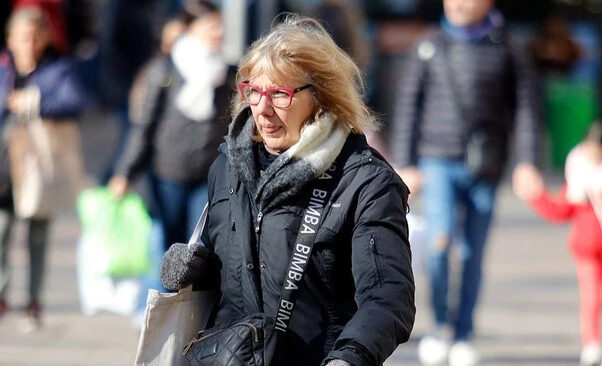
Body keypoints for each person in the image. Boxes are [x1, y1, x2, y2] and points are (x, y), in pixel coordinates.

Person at [160, 14, 415, 366]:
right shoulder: (228, 166)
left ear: (321, 97)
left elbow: (389, 295)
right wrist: (193, 270)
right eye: (253, 90)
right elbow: (231, 279)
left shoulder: (365, 181)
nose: (262, 109)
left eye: (279, 94)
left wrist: (350, 356)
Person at [390, 1, 544, 365]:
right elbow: (408, 107)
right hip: (436, 160)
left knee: (473, 253)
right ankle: (441, 324)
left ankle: (463, 333)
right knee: (439, 245)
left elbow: (526, 108)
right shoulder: (429, 46)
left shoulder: (507, 46)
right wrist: (406, 165)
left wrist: (528, 163)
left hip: (485, 165)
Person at [0, 6, 83, 330]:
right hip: (2, 163)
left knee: (38, 236)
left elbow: (74, 102)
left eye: (34, 37)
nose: (28, 44)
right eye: (22, 38)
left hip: (40, 165)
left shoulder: (57, 68)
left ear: (44, 38)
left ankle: (34, 302)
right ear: (10, 39)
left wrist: (35, 101)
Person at [108, 0, 231, 257]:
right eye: (211, 25)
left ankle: (198, 298)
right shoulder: (165, 69)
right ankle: (171, 297)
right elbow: (144, 127)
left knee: (200, 246)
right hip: (169, 175)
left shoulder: (229, 72)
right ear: (190, 28)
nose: (218, 32)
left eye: (220, 25)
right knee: (172, 248)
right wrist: (125, 173)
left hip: (209, 176)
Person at [527, 121, 602, 366]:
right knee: (592, 297)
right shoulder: (580, 175)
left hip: (588, 246)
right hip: (587, 249)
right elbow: (562, 208)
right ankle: (591, 343)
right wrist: (537, 197)